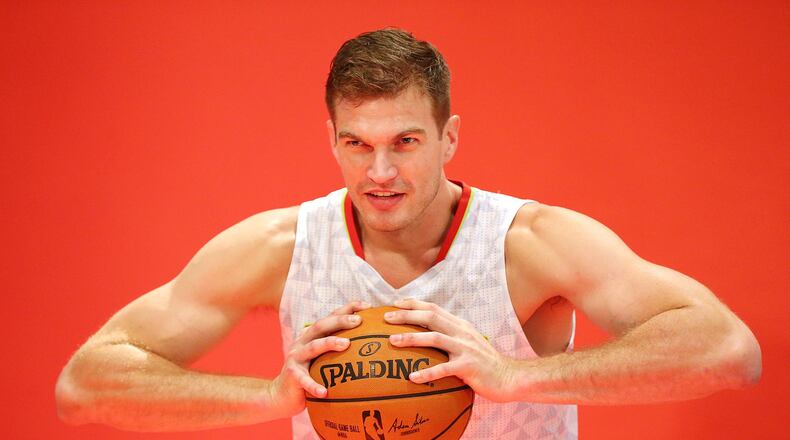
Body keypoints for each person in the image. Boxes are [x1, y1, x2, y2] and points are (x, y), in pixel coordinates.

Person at [55, 28, 762, 439]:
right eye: (357, 144)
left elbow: (727, 349)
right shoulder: (281, 247)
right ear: (330, 139)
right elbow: (86, 382)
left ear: (450, 137)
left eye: (406, 140)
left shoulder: (530, 243)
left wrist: (516, 379)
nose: (381, 171)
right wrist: (265, 398)